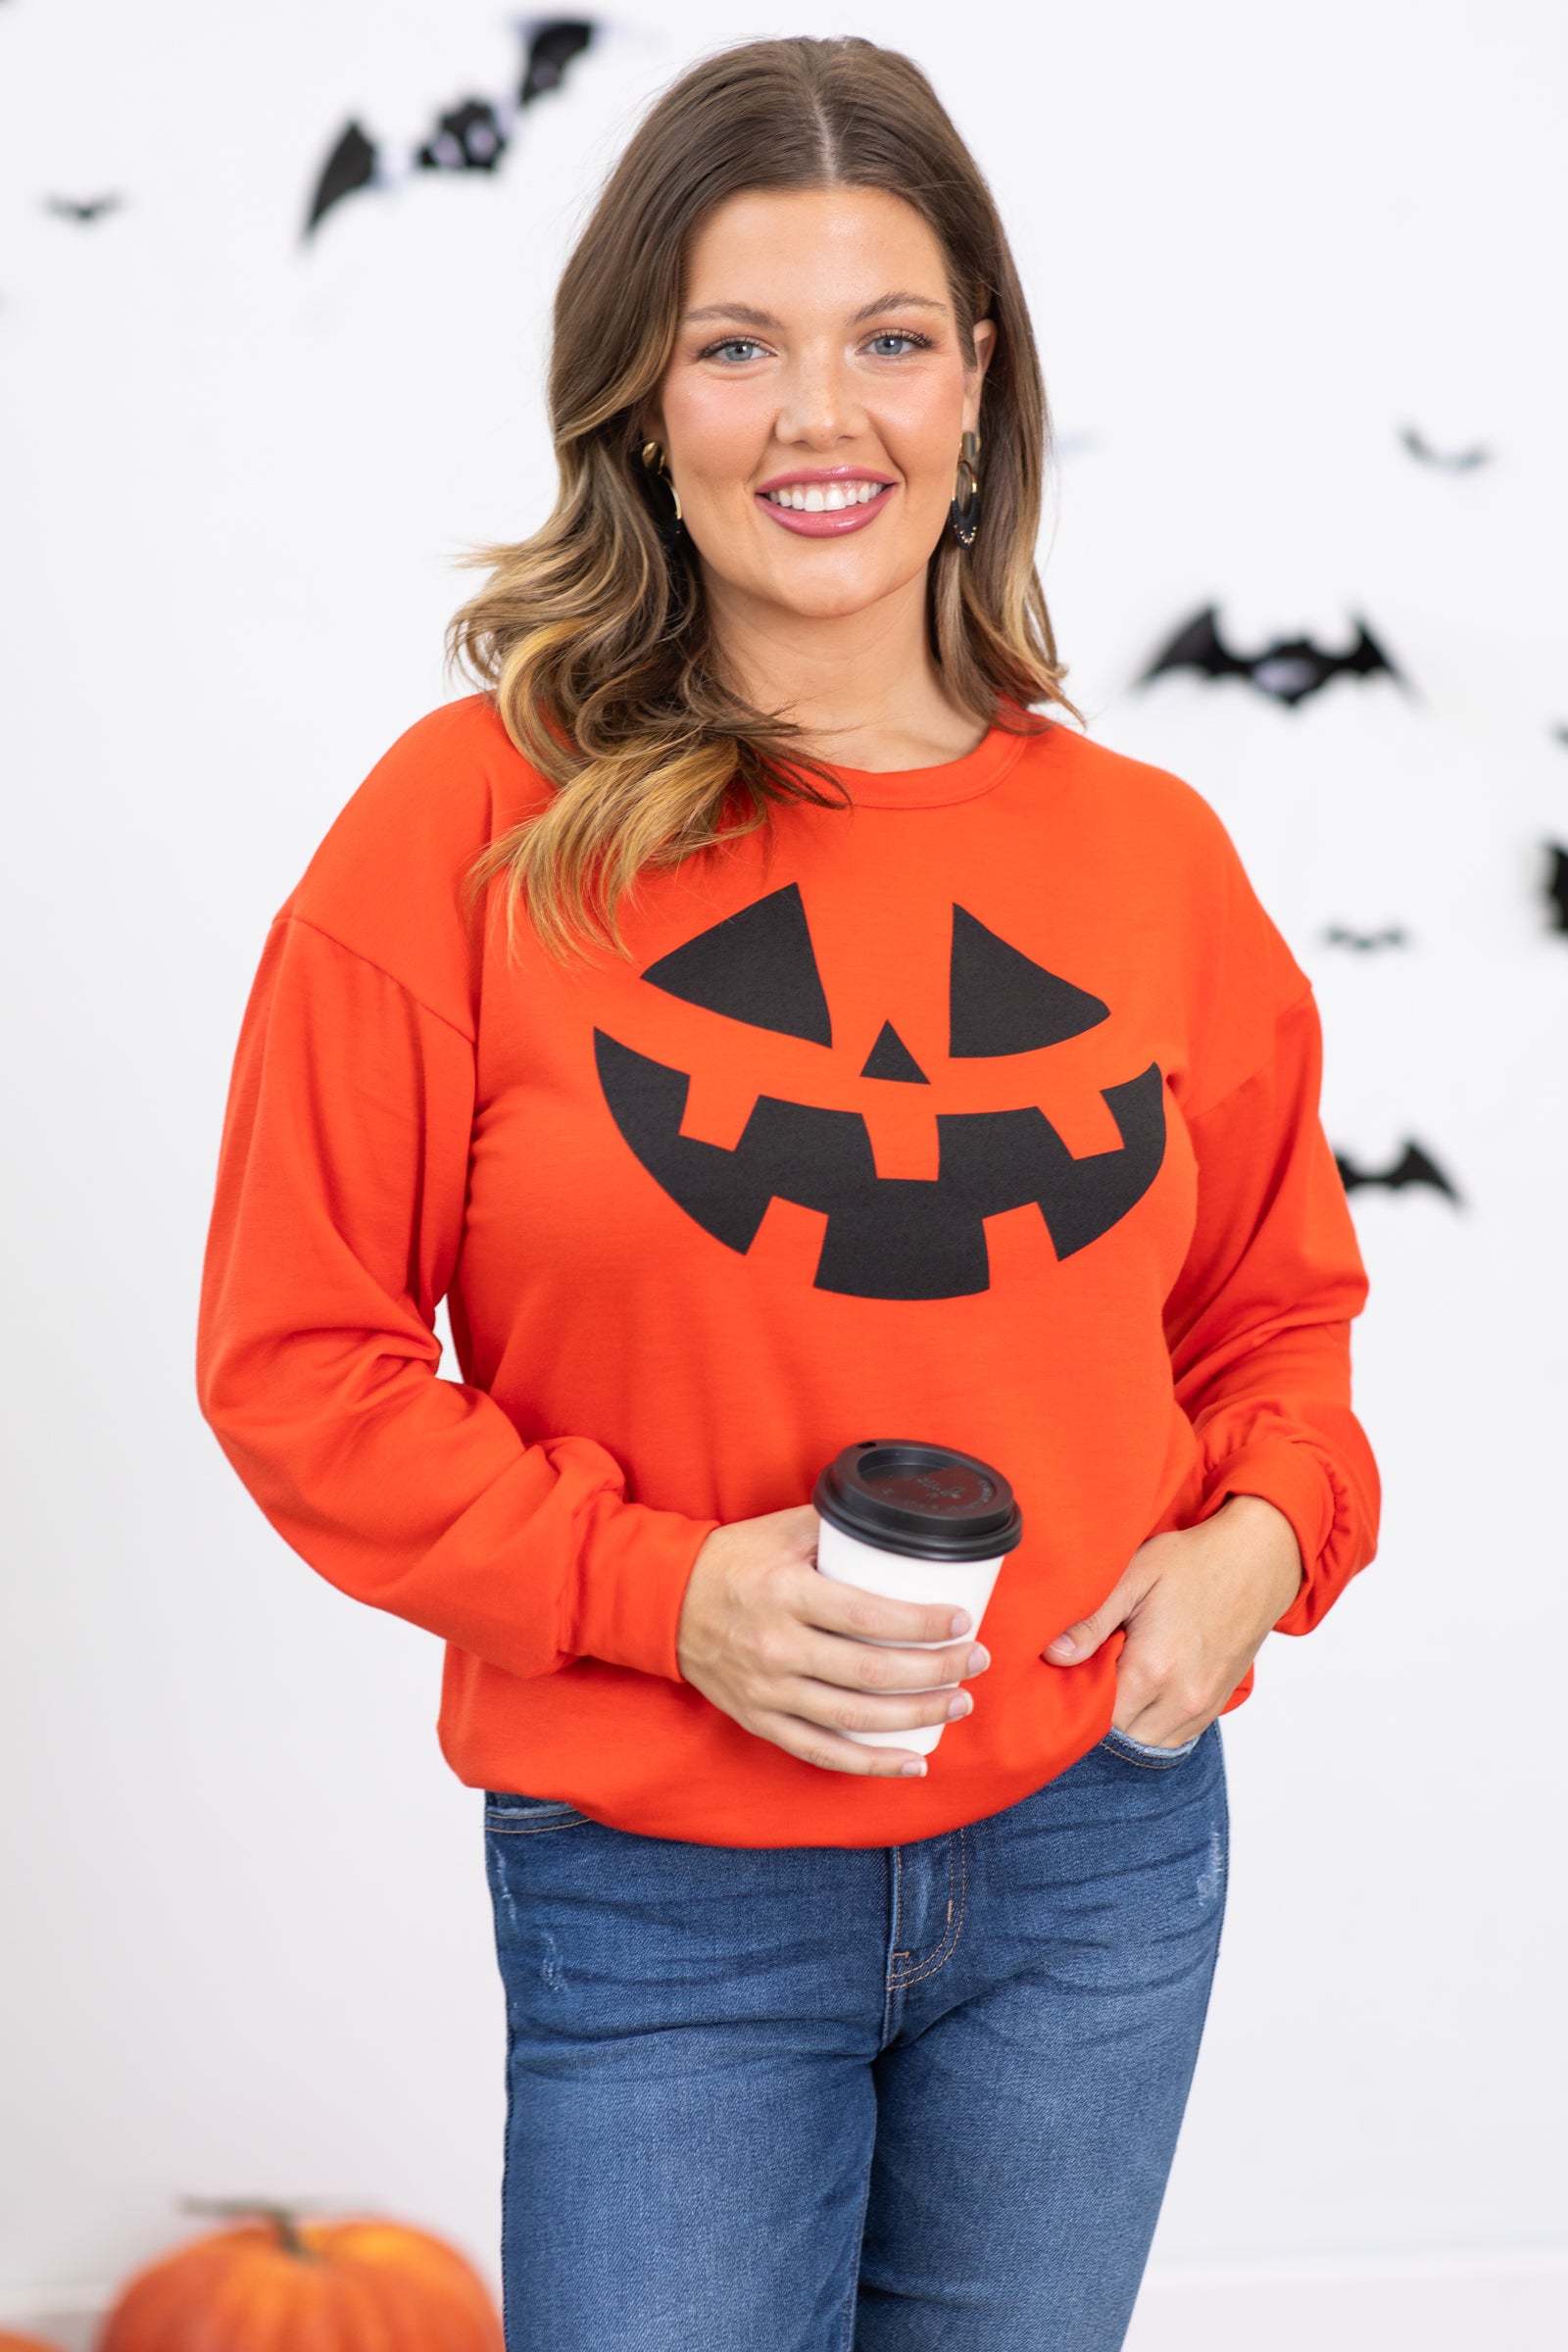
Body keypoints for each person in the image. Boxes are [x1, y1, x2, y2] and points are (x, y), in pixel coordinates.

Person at [196, 34, 1379, 2352]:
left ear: (976, 387)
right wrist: (662, 1597)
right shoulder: (466, 828)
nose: (816, 417)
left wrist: (1266, 1539)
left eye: (887, 340)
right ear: (642, 403)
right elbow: (297, 1368)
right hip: (667, 1887)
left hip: (1094, 1865)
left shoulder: (1148, 860)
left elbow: (1276, 1325)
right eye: (736, 346)